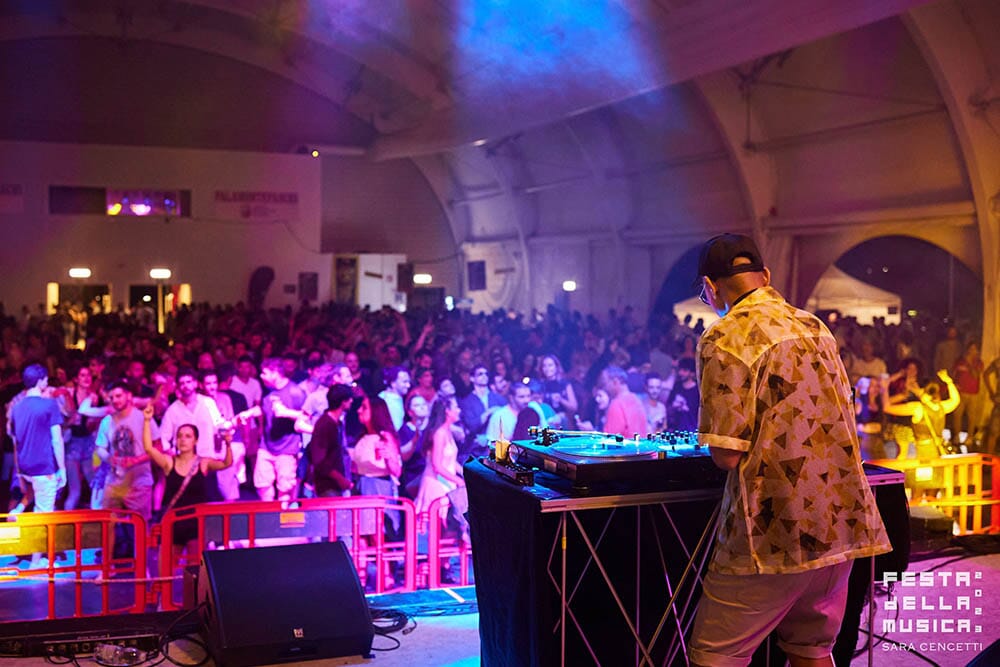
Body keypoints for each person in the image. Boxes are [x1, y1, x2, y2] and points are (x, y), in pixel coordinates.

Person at [688, 233, 890, 667]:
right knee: (812, 650)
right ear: (765, 276)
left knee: (715, 654)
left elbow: (726, 454)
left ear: (710, 286)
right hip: (839, 522)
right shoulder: (815, 326)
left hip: (774, 528)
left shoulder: (724, 336)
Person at [142, 404, 232, 562]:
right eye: (180, 436)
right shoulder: (169, 462)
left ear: (196, 441)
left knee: (195, 570)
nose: (183, 440)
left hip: (196, 525)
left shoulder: (203, 463)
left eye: (188, 436)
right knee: (166, 570)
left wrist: (228, 443)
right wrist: (147, 421)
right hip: (173, 523)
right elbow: (149, 449)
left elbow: (226, 463)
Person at [9, 365, 66, 519]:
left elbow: (16, 443)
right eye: (46, 379)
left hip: (25, 467)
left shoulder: (16, 408)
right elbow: (57, 439)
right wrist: (62, 468)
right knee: (44, 517)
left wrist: (19, 474)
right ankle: (33, 541)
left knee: (35, 489)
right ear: (40, 381)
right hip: (44, 467)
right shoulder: (49, 405)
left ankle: (17, 511)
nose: (47, 382)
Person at [600, 365, 648, 438]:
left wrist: (591, 432)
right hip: (641, 448)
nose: (604, 388)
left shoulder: (617, 404)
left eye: (604, 383)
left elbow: (610, 439)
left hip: (626, 449)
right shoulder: (636, 400)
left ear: (615, 382)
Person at [665, 358, 699, 432]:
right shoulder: (677, 387)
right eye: (680, 370)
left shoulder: (697, 391)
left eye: (685, 370)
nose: (681, 373)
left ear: (692, 373)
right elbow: (668, 406)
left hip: (692, 431)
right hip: (675, 431)